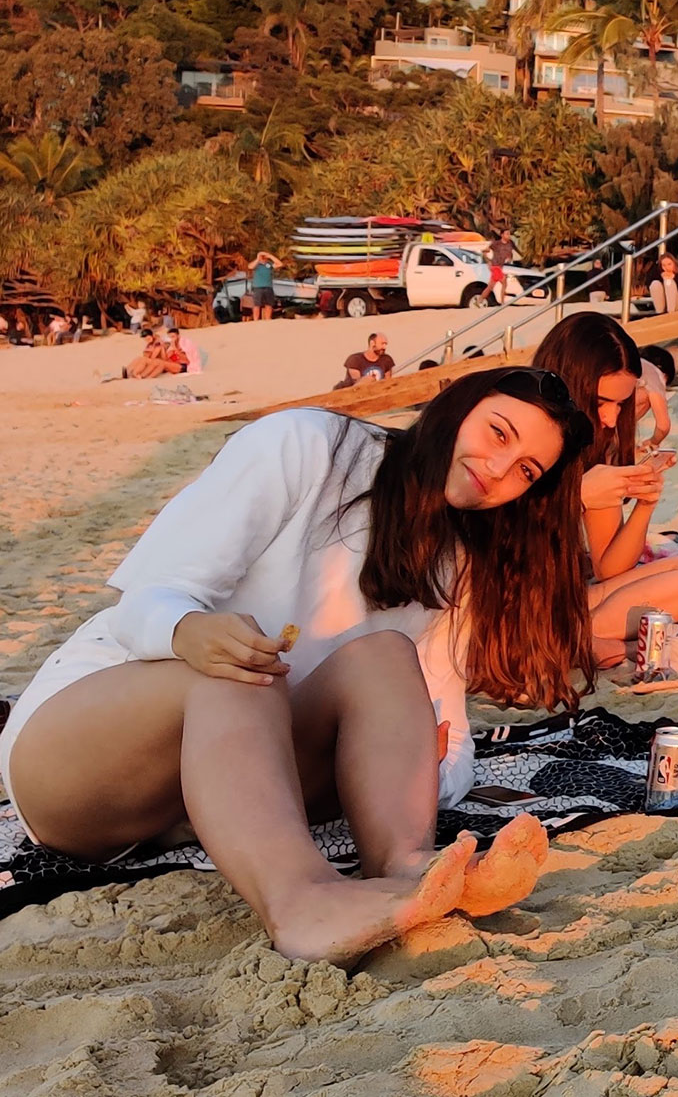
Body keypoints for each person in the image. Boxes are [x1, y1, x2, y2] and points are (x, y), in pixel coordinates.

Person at [0, 367, 598, 962]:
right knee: (245, 663)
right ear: (456, 405)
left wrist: (425, 766)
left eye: (526, 471)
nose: (498, 470)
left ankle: (404, 867)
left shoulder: (460, 560)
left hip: (235, 785)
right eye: (498, 433)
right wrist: (188, 632)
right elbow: (143, 601)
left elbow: (450, 725)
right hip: (84, 765)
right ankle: (301, 903)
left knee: (387, 657)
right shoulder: (308, 446)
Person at [534, 314, 678, 664]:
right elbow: (492, 541)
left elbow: (610, 570)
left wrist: (645, 502)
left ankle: (569, 640)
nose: (612, 419)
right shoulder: (522, 436)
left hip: (566, 603)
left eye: (620, 404)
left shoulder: (595, 448)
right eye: (601, 403)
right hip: (504, 606)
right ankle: (559, 642)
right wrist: (574, 497)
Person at [637, 342, 675, 456]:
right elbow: (663, 426)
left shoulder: (629, 366)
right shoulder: (655, 374)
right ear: (665, 375)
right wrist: (653, 442)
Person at [248, 251, 281, 322]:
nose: (263, 257)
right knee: (257, 305)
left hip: (268, 287)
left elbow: (280, 264)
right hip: (258, 287)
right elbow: (250, 266)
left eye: (264, 256)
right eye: (262, 256)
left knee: (269, 305)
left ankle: (268, 319)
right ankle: (256, 320)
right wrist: (258, 258)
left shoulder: (269, 265)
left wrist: (270, 256)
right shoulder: (256, 265)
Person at [486, 229, 514, 305]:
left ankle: (480, 300)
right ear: (502, 235)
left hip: (500, 266)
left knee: (490, 286)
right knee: (504, 282)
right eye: (507, 234)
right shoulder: (496, 244)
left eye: (509, 234)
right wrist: (488, 261)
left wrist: (509, 258)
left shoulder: (509, 244)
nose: (508, 236)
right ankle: (502, 302)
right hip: (495, 266)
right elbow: (485, 251)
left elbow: (510, 254)